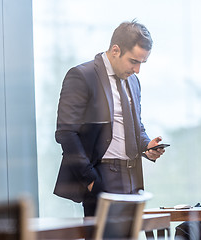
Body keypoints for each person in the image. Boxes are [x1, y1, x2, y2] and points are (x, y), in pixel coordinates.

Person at [53, 20, 165, 216]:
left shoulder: (133, 81)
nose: (137, 70)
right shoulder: (82, 75)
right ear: (115, 50)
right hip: (101, 175)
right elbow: (66, 133)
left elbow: (134, 126)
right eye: (133, 61)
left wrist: (147, 146)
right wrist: (90, 180)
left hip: (132, 178)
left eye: (142, 63)